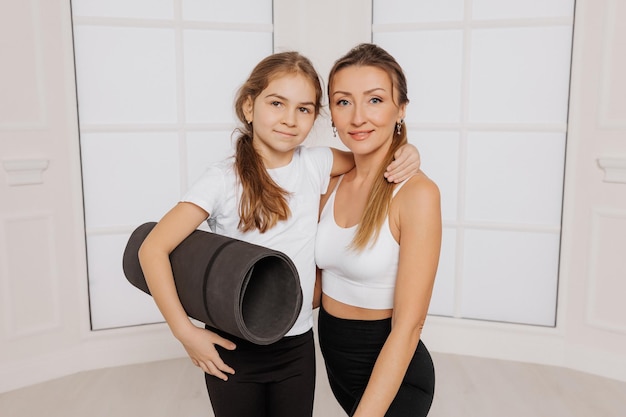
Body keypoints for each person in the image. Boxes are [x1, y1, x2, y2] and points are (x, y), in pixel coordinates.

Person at [137, 51, 421, 417]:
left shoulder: (316, 164)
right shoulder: (223, 180)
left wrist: (409, 151)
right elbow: (153, 249)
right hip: (233, 347)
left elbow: (374, 154)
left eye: (304, 109)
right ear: (249, 106)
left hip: (297, 347)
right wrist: (185, 333)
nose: (290, 119)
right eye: (277, 103)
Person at [315, 43, 442, 417]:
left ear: (400, 109)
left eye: (374, 100)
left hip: (394, 374)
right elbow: (315, 287)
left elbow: (409, 325)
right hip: (338, 366)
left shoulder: (417, 194)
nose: (357, 117)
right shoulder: (329, 182)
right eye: (343, 102)